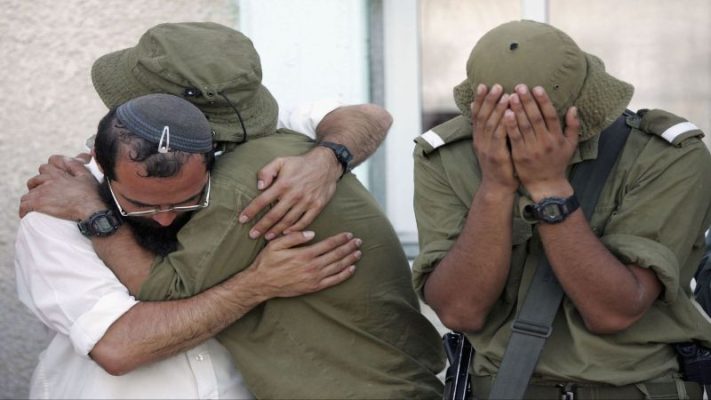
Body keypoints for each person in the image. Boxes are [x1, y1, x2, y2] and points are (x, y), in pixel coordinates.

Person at [20, 23, 445, 400]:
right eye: (142, 205)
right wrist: (257, 284)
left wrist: (327, 160)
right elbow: (119, 347)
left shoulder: (259, 160)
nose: (165, 217)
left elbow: (370, 117)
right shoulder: (59, 207)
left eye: (187, 199)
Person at [412, 20, 711, 399]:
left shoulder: (666, 155)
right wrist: (496, 188)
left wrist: (548, 189)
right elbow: (460, 312)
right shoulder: (446, 156)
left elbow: (614, 311)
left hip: (636, 388)